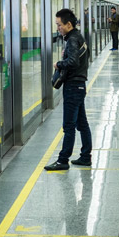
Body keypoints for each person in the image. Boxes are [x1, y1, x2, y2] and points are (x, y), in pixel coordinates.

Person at [44, 9, 92, 171]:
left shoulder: (72, 40)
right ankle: (85, 156)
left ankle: (63, 160)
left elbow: (73, 62)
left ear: (68, 24)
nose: (58, 28)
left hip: (73, 86)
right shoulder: (79, 37)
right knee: (82, 123)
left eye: (59, 25)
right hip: (80, 85)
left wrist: (58, 64)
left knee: (69, 126)